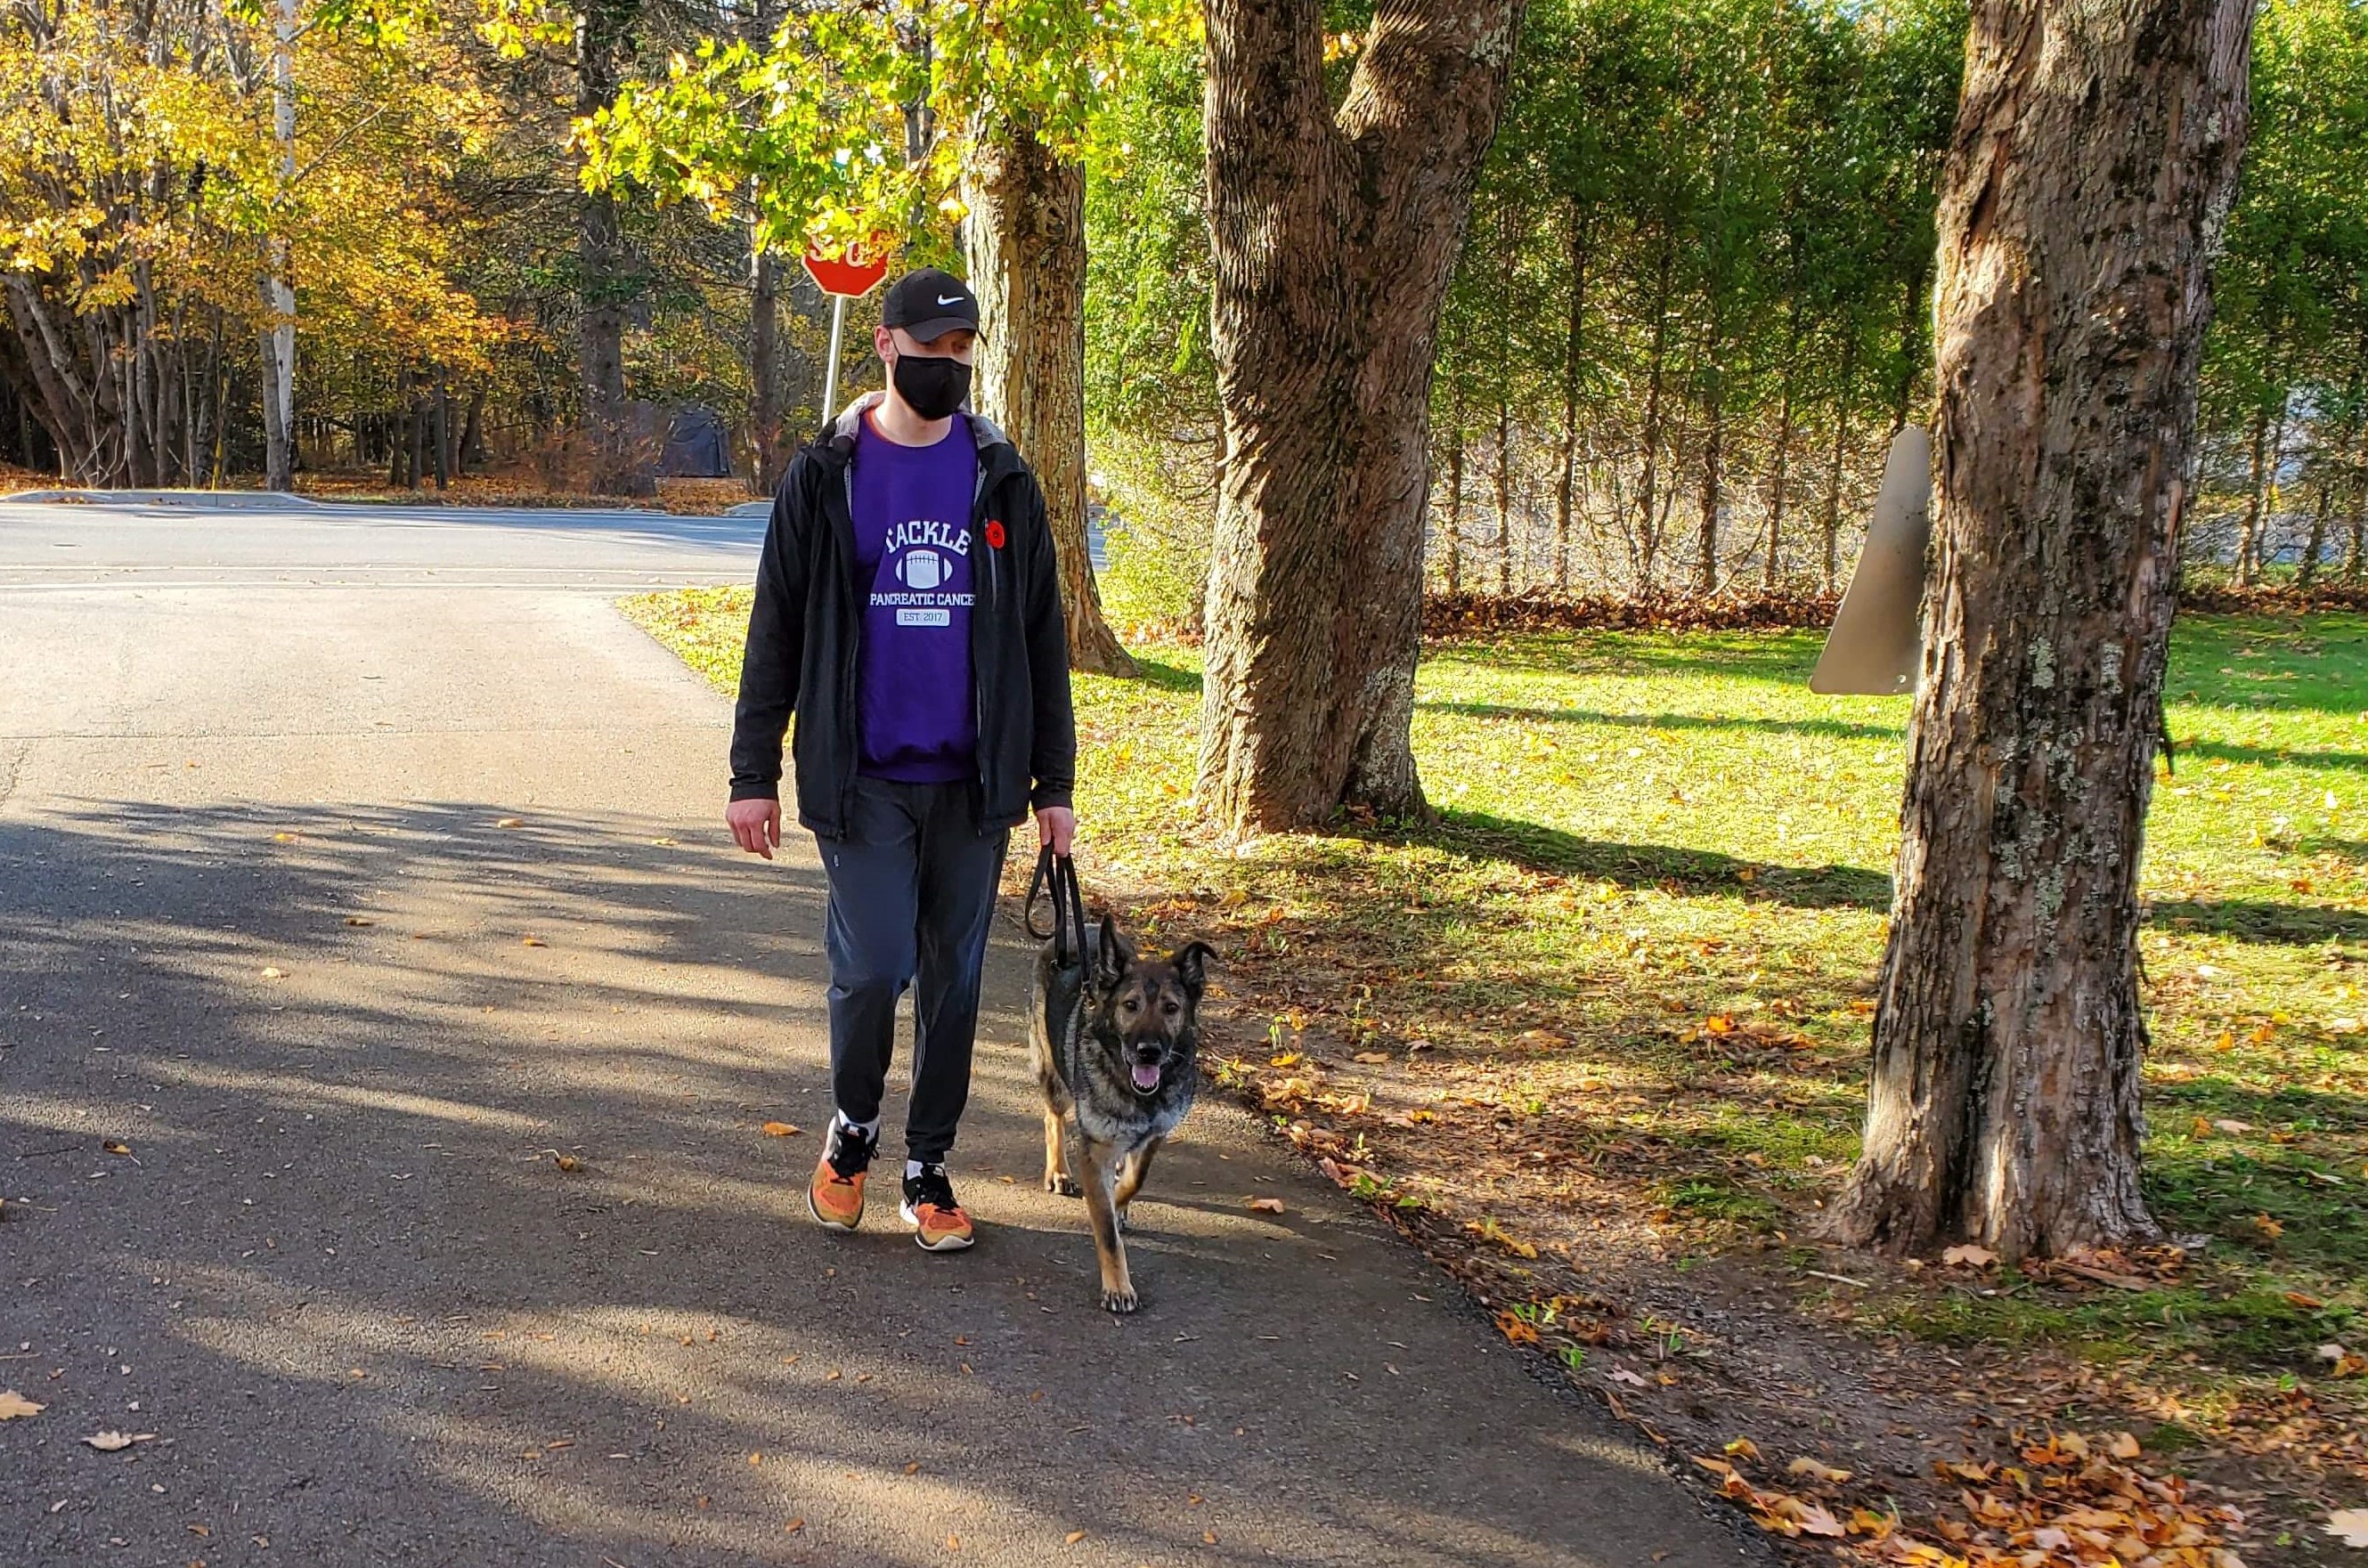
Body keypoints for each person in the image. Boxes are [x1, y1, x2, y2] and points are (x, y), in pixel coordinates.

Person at [725, 266, 1077, 1252]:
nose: (947, 370)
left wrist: (1055, 786)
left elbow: (1043, 639)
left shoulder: (999, 474)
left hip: (972, 786)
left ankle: (928, 1168)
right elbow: (776, 627)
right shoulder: (827, 472)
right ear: (885, 347)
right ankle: (852, 1138)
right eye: (930, 353)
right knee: (875, 968)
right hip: (865, 775)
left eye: (962, 354)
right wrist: (753, 773)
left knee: (955, 981)